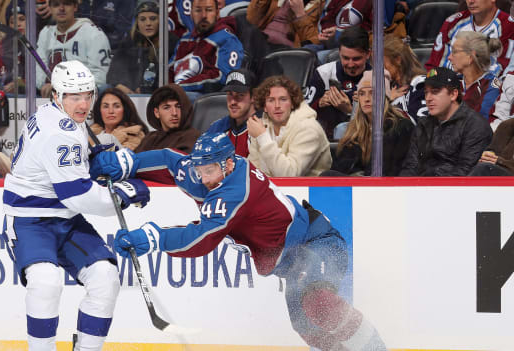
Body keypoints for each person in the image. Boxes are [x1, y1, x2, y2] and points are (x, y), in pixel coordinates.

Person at [92, 132, 388, 351]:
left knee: (319, 303)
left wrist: (153, 237)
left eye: (210, 171)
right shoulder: (207, 169)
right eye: (200, 170)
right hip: (291, 262)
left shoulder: (235, 191)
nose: (203, 178)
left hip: (316, 242)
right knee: (307, 326)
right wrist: (127, 162)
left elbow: (202, 238)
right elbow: (170, 161)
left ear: (229, 164)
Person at [1, 60, 150, 351]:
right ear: (56, 95)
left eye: (87, 94)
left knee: (105, 278)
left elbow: (71, 168)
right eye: (73, 96)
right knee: (45, 281)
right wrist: (123, 195)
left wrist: (92, 156)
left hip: (65, 220)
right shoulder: (60, 132)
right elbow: (78, 195)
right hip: (29, 220)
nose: (83, 103)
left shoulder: (55, 114)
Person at [400, 67, 493, 176]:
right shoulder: (423, 124)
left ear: (453, 94)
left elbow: (465, 173)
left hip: (454, 191)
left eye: (435, 92)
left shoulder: (475, 126)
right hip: (421, 188)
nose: (428, 98)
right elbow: (410, 167)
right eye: (426, 92)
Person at [325, 70, 414, 176]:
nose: (366, 99)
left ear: (384, 97)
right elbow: (342, 167)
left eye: (372, 93)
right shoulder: (355, 129)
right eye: (362, 94)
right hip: (359, 185)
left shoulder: (401, 127)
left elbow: (392, 170)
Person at [248, 75, 331, 176]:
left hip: (310, 190)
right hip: (271, 189)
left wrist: (263, 138)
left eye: (283, 99)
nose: (277, 105)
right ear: (264, 106)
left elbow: (289, 175)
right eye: (271, 100)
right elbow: (253, 172)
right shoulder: (261, 126)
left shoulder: (309, 128)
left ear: (292, 103)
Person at [304, 25, 371, 140]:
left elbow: (380, 123)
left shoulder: (377, 78)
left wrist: (350, 110)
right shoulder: (323, 73)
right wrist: (319, 104)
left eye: (356, 59)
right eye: (345, 58)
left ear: (368, 55)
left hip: (362, 139)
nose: (350, 64)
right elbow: (303, 112)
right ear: (339, 53)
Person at [36, 0, 111, 98]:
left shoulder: (93, 33)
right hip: (49, 96)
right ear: (50, 8)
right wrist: (44, 86)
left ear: (75, 7)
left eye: (66, 4)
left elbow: (100, 78)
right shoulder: (45, 33)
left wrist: (66, 88)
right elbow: (38, 75)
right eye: (56, 5)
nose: (61, 9)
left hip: (85, 96)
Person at [170, 0, 244, 93]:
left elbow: (224, 78)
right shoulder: (185, 40)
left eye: (209, 10)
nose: (203, 15)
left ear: (217, 13)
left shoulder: (227, 39)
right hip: (176, 93)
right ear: (191, 14)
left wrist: (180, 87)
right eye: (198, 10)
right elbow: (169, 70)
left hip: (204, 98)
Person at [106, 0, 179, 94]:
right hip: (128, 93)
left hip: (156, 94)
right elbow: (113, 72)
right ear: (137, 22)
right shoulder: (129, 40)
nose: (148, 23)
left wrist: (144, 90)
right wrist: (121, 86)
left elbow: (168, 77)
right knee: (106, 87)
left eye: (153, 18)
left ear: (160, 21)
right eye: (142, 19)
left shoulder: (170, 42)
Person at [425, 0, 514, 77]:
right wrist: (433, 80)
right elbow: (433, 65)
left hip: (484, 90)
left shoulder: (509, 26)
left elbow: (502, 71)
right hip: (445, 87)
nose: (471, 1)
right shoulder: (452, 22)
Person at [449, 31, 502, 119]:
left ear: (470, 56)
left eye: (454, 52)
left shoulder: (491, 87)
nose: (449, 57)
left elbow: (482, 123)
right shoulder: (451, 81)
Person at [135, 83, 201, 153]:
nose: (174, 113)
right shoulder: (150, 138)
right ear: (157, 113)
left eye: (178, 106)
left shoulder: (191, 136)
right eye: (167, 108)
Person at [206, 68, 257, 157]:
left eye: (240, 95)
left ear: (254, 97)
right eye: (230, 94)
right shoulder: (218, 127)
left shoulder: (264, 129)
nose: (233, 102)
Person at [0, 0, 27, 94]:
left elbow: (39, 77)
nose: (17, 24)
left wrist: (21, 83)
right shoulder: (4, 45)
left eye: (22, 19)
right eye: (12, 21)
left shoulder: (39, 41)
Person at [384, 34, 428, 123]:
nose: (377, 69)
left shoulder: (420, 84)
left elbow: (422, 124)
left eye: (382, 63)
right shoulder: (390, 87)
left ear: (398, 60)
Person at [246, 0, 314, 49]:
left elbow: (311, 39)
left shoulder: (315, 6)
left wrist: (300, 13)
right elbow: (251, 19)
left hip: (285, 47)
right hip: (262, 39)